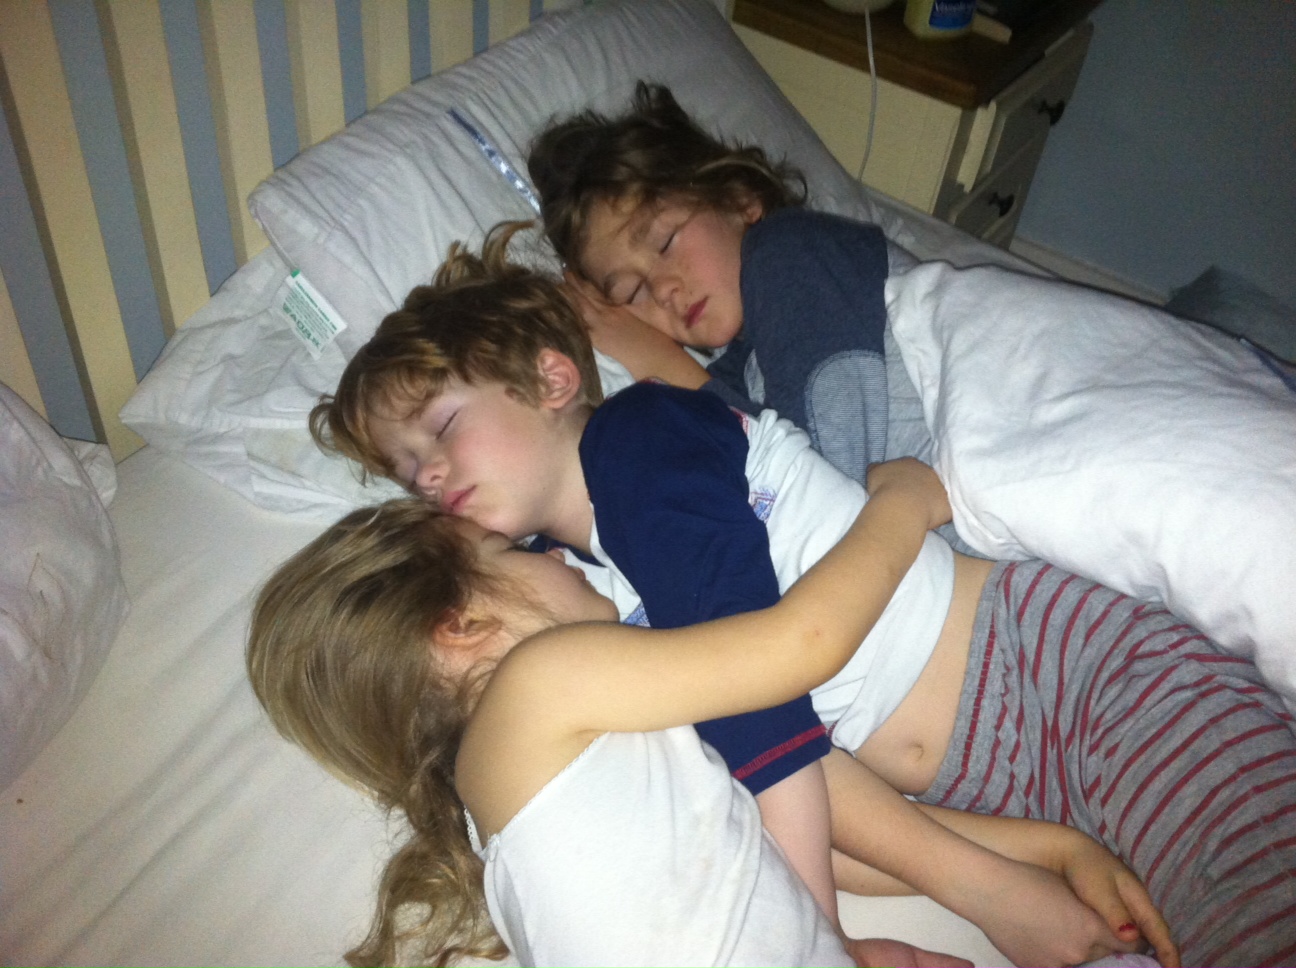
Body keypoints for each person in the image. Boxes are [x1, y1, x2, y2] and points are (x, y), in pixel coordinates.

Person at [304, 226, 1296, 968]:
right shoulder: (587, 593)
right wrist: (1008, 867)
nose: (430, 474)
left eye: (441, 428)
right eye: (407, 471)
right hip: (990, 775)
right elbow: (782, 772)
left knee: (1262, 898)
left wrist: (826, 931)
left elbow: (778, 687)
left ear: (554, 378)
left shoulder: (639, 446)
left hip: (1068, 675)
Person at [246, 471, 1143, 968]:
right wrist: (904, 505)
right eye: (509, 551)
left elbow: (797, 829)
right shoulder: (542, 687)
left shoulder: (557, 781)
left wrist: (1047, 851)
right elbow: (801, 644)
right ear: (459, 625)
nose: (558, 560)